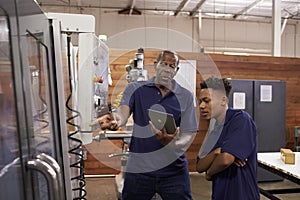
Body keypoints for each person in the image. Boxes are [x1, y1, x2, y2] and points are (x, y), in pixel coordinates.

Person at [97, 50, 198, 200]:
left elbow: (189, 133)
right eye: (164, 64)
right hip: (139, 169)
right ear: (156, 65)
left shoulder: (185, 96)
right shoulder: (135, 89)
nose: (167, 68)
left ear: (176, 70)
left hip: (173, 171)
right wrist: (116, 119)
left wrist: (174, 143)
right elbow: (122, 113)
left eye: (172, 66)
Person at [196, 77, 259, 200]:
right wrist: (217, 152)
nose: (202, 106)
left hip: (242, 195)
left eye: (206, 101)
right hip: (220, 194)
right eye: (200, 102)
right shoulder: (215, 129)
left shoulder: (241, 120)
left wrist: (209, 173)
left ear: (223, 100)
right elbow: (200, 166)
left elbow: (225, 160)